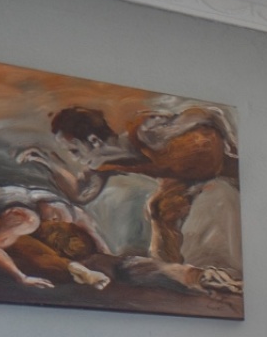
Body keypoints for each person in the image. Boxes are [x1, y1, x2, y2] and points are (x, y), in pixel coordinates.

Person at [17, 104, 238, 266]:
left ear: (94, 141)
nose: (75, 159)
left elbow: (210, 114)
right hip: (184, 178)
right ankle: (168, 268)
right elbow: (82, 194)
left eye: (74, 151)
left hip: (219, 161)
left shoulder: (147, 132)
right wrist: (50, 163)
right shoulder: (104, 165)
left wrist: (232, 144)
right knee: (159, 209)